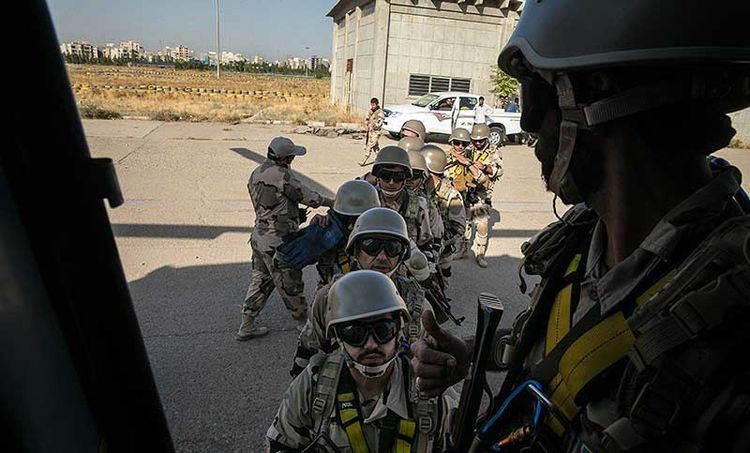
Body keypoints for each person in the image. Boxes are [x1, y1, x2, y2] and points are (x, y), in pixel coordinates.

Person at [411, 1, 750, 452]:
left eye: (540, 91)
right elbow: (556, 348)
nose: (530, 123)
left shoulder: (734, 317)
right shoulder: (582, 238)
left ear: (599, 97)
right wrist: (470, 355)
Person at [269, 270, 456, 453]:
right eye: (355, 333)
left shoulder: (431, 391)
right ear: (339, 337)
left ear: (399, 331)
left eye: (383, 330)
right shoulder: (314, 384)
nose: (371, 344)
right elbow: (280, 444)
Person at [291, 207, 431, 377]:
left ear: (401, 255)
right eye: (371, 246)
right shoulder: (328, 298)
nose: (382, 256)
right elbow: (307, 351)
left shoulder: (417, 305)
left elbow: (430, 369)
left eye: (392, 247)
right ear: (356, 250)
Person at [237, 137, 334, 341]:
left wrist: (292, 214)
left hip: (259, 236)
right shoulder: (283, 175)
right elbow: (310, 197)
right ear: (285, 158)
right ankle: (306, 326)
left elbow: (272, 203)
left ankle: (247, 324)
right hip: (278, 241)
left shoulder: (256, 173)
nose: (292, 160)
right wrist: (334, 202)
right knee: (291, 284)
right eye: (291, 157)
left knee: (261, 280)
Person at [445, 124, 503, 268]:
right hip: (466, 192)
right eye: (474, 140)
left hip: (482, 193)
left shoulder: (493, 151)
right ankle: (463, 250)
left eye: (480, 140)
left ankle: (480, 253)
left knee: (481, 224)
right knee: (465, 223)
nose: (477, 143)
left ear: (486, 138)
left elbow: (499, 171)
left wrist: (486, 168)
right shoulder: (467, 148)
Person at [312, 180, 381, 288]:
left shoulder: (385, 245)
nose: (350, 227)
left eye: (357, 220)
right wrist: (314, 232)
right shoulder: (332, 239)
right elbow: (290, 260)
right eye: (345, 219)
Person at [422, 144, 466, 288]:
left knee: (440, 287)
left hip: (442, 253)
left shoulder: (451, 196)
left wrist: (439, 242)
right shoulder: (419, 189)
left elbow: (459, 228)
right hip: (421, 249)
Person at [360, 97, 384, 166]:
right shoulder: (370, 111)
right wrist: (366, 125)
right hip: (370, 132)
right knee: (375, 146)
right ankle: (380, 158)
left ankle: (364, 160)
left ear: (377, 104)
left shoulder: (380, 113)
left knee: (370, 145)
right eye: (371, 105)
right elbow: (367, 119)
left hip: (376, 132)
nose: (372, 106)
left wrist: (373, 125)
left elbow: (379, 124)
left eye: (373, 105)